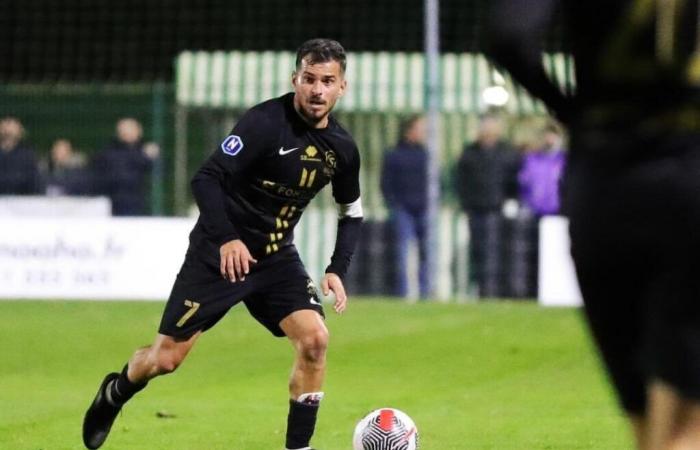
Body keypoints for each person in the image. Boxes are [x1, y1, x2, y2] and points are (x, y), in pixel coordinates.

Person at [82, 38, 362, 450]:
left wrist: (337, 267)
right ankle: (116, 392)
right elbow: (206, 178)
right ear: (295, 80)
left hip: (275, 258)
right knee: (165, 360)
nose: (317, 90)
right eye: (309, 79)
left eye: (327, 81)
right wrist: (228, 238)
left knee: (315, 340)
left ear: (342, 87)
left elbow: (350, 211)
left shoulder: (342, 149)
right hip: (218, 253)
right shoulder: (264, 123)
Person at [487, 1, 700, 448]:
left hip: (602, 188)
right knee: (684, 428)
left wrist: (571, 111)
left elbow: (507, 37)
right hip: (689, 182)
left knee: (647, 428)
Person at [455, 114, 520, 297]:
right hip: (475, 209)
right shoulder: (470, 152)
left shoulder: (506, 152)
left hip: (496, 208)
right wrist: (465, 202)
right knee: (478, 250)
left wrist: (511, 199)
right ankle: (482, 288)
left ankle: (492, 290)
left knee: (494, 251)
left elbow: (512, 179)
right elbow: (461, 180)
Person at [380, 115, 430, 298]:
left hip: (424, 209)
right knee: (403, 252)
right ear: (410, 130)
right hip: (404, 210)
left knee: (427, 252)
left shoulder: (427, 154)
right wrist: (394, 204)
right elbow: (386, 183)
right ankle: (402, 292)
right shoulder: (394, 155)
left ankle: (425, 291)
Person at [91, 117, 159, 216]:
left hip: (139, 201)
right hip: (114, 201)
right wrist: (145, 156)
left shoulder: (145, 151)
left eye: (131, 129)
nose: (127, 133)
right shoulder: (110, 152)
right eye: (125, 129)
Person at [518, 122, 566, 217]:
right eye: (547, 135)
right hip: (533, 212)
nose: (549, 139)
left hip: (557, 212)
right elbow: (523, 183)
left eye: (553, 136)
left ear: (559, 139)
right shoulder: (531, 159)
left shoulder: (564, 160)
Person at [0, 116, 41, 195]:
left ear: (20, 131)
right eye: (6, 125)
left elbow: (34, 181)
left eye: (13, 127)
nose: (8, 131)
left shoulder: (28, 155)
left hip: (20, 200)